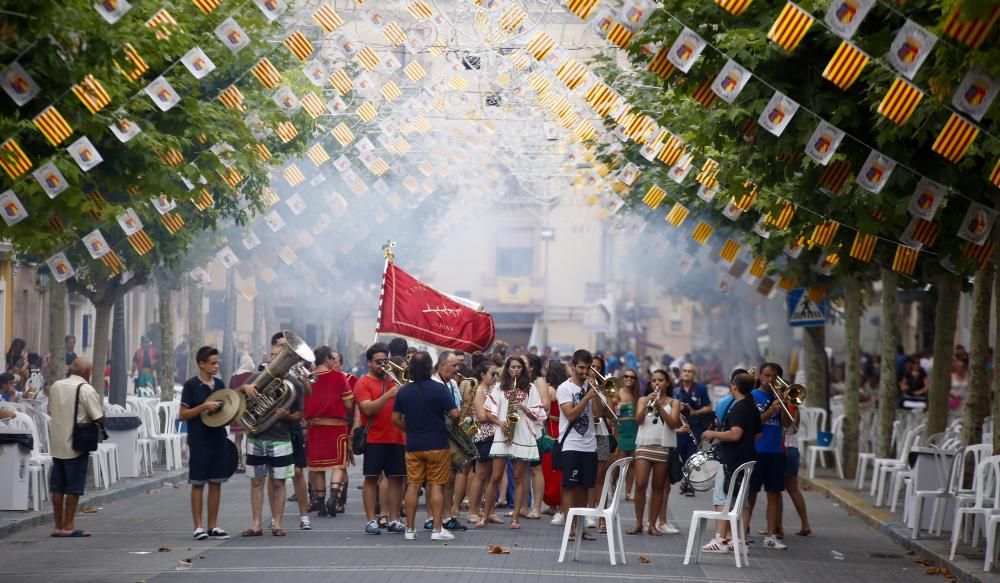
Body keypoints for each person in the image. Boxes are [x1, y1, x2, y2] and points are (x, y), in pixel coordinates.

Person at [392, 351, 461, 541]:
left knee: (413, 485)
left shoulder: (404, 390)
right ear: (431, 367)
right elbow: (455, 414)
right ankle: (437, 529)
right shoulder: (439, 389)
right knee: (437, 485)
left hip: (413, 444)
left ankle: (410, 530)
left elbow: (395, 419)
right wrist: (453, 426)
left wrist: (410, 429)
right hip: (437, 443)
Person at [241, 335, 304, 537]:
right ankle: (256, 524)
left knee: (278, 482)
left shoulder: (295, 384)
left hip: (281, 438)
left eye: (284, 357)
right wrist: (244, 388)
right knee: (256, 481)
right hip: (256, 437)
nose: (280, 362)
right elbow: (233, 399)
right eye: (277, 357)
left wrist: (289, 415)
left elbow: (299, 415)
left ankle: (277, 523)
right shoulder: (256, 378)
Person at [478, 356, 545, 529]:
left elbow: (537, 415)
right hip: (503, 433)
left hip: (522, 435)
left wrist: (523, 407)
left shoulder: (530, 388)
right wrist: (500, 423)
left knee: (519, 478)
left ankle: (516, 518)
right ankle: (485, 516)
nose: (516, 370)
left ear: (523, 369)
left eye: (519, 367)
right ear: (507, 369)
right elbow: (488, 412)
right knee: (495, 477)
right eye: (512, 367)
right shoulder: (499, 387)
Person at [700, 372, 762, 553]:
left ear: (734, 385)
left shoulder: (739, 408)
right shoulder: (752, 407)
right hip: (746, 458)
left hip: (731, 460)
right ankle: (738, 540)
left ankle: (720, 539)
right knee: (740, 500)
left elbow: (735, 433)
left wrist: (713, 434)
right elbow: (758, 434)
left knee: (722, 497)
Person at [177, 346, 232, 540]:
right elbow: (182, 415)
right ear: (202, 364)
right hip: (199, 439)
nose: (216, 366)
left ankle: (213, 526)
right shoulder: (191, 385)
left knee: (216, 483)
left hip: (218, 438)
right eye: (213, 363)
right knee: (198, 483)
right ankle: (198, 527)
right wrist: (203, 407)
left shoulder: (219, 384)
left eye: (217, 363)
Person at [47, 358, 104, 537]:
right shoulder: (86, 389)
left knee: (58, 486)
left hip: (57, 443)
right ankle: (68, 525)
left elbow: (50, 410)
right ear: (87, 372)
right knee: (74, 486)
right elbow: (98, 416)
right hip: (76, 444)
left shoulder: (56, 386)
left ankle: (58, 525)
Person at [354, 343, 406, 535]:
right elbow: (367, 408)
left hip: (397, 437)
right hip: (375, 438)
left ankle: (393, 519)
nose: (383, 365)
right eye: (378, 362)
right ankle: (370, 520)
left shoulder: (395, 380)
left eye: (385, 361)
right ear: (369, 363)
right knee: (371, 478)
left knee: (396, 479)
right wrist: (389, 394)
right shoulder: (363, 383)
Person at [627, 369, 682, 535]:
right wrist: (647, 405)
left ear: (667, 383)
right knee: (640, 484)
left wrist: (659, 406)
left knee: (658, 487)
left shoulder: (674, 402)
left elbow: (673, 424)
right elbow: (638, 420)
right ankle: (638, 523)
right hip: (644, 445)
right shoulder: (643, 399)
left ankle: (652, 524)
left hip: (662, 447)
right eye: (654, 380)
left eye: (660, 380)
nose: (657, 383)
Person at [304, 345, 354, 518]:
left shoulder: (307, 378)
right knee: (339, 464)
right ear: (326, 359)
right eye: (331, 359)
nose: (333, 361)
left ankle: (321, 503)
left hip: (314, 427)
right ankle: (333, 496)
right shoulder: (339, 377)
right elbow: (349, 404)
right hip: (336, 426)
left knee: (317, 467)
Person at [270, 333, 312, 532]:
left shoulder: (295, 371)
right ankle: (275, 516)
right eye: (280, 347)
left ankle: (304, 515)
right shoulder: (266, 370)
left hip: (292, 428)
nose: (284, 351)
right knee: (274, 476)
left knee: (297, 472)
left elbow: (309, 393)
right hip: (272, 428)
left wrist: (303, 379)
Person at [557, 349, 600, 542]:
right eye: (581, 367)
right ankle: (570, 527)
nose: (585, 371)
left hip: (590, 444)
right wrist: (586, 397)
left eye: (588, 368)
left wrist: (597, 394)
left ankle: (581, 528)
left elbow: (598, 414)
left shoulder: (592, 387)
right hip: (571, 444)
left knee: (585, 489)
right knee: (570, 488)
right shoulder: (564, 388)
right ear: (574, 366)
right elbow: (571, 415)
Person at [746, 362, 789, 550]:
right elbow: (754, 422)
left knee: (773, 493)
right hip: (756, 449)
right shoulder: (752, 396)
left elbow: (787, 424)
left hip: (776, 450)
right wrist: (771, 410)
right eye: (766, 375)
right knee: (751, 492)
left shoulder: (780, 397)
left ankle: (771, 535)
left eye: (773, 376)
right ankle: (743, 531)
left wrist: (784, 403)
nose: (769, 380)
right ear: (759, 376)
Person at [430, 351, 466, 531]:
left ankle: (447, 515)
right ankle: (433, 517)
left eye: (458, 366)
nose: (457, 369)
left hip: (453, 435)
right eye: (454, 365)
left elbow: (457, 407)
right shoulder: (433, 383)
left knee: (451, 477)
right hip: (437, 435)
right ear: (442, 365)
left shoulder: (452, 383)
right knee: (437, 479)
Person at [464, 360, 499, 524]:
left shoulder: (495, 389)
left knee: (493, 476)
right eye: (492, 373)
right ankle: (472, 510)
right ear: (482, 374)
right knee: (481, 475)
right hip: (483, 436)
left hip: (496, 435)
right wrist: (499, 417)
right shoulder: (479, 390)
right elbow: (482, 416)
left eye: (497, 373)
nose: (495, 377)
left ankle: (489, 511)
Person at [674, 362, 713, 497]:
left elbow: (709, 407)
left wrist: (695, 412)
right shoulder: (675, 389)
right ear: (681, 372)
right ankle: (685, 480)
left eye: (690, 371)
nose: (686, 373)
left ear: (694, 374)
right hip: (679, 428)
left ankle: (690, 485)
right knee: (681, 456)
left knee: (692, 456)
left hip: (695, 428)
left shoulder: (700, 388)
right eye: (684, 370)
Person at [775, 403, 811, 538]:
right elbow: (794, 430)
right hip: (793, 447)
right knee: (793, 489)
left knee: (776, 490)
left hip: (782, 448)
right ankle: (805, 524)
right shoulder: (794, 407)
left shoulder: (783, 405)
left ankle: (777, 527)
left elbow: (782, 424)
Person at [525, 353, 552, 520]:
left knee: (536, 468)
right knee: (522, 470)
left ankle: (536, 507)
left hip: (535, 428)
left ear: (532, 366)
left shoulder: (539, 381)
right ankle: (522, 507)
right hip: (522, 428)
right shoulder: (521, 381)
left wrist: (526, 408)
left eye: (524, 363)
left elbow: (546, 405)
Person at [228, 354, 256, 474]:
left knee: (238, 439)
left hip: (235, 410)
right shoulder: (251, 375)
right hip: (248, 410)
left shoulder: (233, 376)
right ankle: (250, 462)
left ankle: (238, 464)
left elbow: (230, 391)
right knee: (250, 438)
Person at [616, 368, 639, 501]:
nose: (629, 379)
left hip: (634, 431)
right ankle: (614, 486)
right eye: (626, 376)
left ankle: (628, 492)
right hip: (620, 431)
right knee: (619, 463)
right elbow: (612, 414)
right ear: (622, 378)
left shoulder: (637, 395)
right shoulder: (616, 393)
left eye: (632, 377)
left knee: (632, 464)